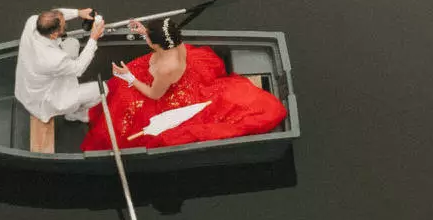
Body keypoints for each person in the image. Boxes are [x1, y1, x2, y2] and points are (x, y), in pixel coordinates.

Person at [81, 12, 287, 151]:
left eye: (148, 38)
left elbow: (155, 95)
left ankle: (94, 108)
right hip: (178, 75)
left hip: (162, 90)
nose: (146, 39)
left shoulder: (165, 68)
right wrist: (145, 31)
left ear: (158, 44)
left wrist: (130, 78)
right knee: (126, 78)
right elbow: (160, 43)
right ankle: (97, 100)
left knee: (124, 101)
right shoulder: (176, 44)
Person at [15, 7, 108, 124]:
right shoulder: (51, 59)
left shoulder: (32, 21)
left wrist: (79, 13)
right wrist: (93, 38)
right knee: (103, 89)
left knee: (72, 43)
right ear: (54, 35)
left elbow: (55, 14)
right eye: (64, 26)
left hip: (30, 85)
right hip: (44, 100)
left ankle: (72, 106)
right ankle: (73, 114)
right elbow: (79, 69)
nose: (66, 24)